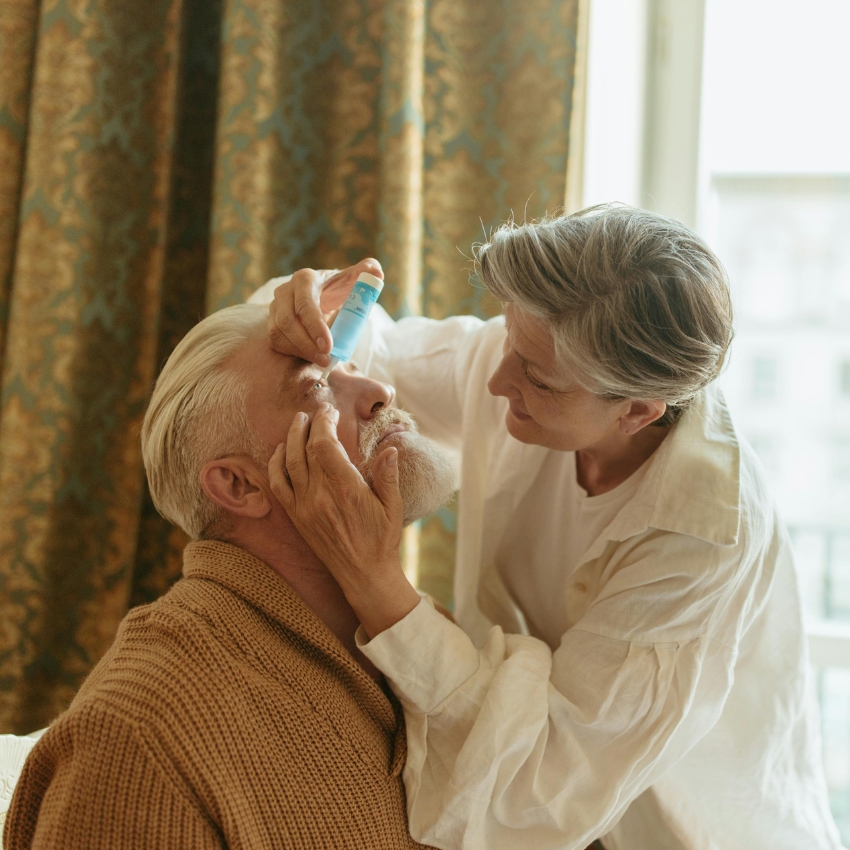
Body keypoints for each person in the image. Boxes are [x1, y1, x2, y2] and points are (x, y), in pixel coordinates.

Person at [253, 205, 844, 850]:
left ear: (638, 412)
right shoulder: (532, 359)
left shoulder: (702, 535)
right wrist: (308, 309)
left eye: (537, 378)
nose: (500, 379)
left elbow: (539, 793)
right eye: (511, 341)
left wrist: (374, 579)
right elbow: (373, 357)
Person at [3, 277, 455, 850]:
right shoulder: (139, 735)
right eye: (317, 386)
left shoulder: (421, 645)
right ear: (240, 485)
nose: (381, 389)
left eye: (348, 370)